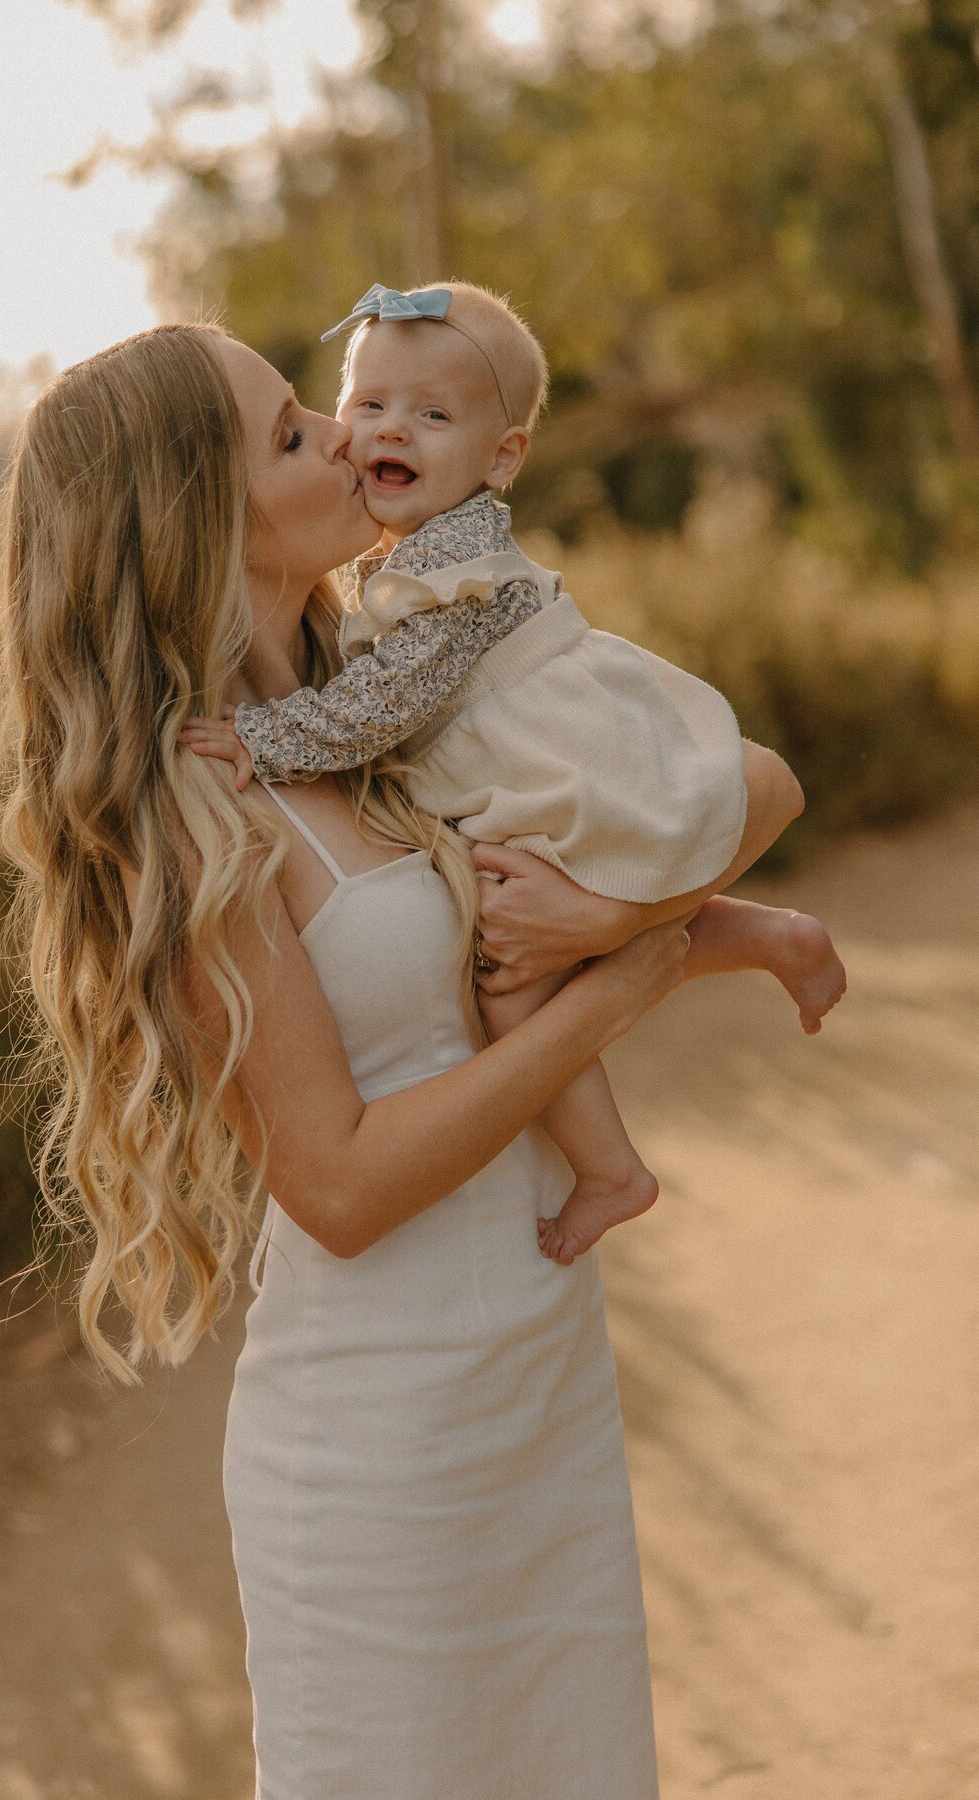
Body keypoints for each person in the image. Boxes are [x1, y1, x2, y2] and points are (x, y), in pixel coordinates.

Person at [0, 321, 804, 1799]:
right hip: (385, 1442)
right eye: (293, 432)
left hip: (538, 1385)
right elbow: (344, 1186)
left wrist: (631, 919)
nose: (353, 431)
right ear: (197, 517)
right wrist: (618, 985)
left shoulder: (389, 703)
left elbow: (739, 786)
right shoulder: (198, 798)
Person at [182, 281, 847, 1265]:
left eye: (430, 414)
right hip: (519, 761)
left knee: (523, 963)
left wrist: (267, 738)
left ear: (502, 458)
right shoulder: (409, 566)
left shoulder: (443, 575)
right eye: (364, 405)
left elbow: (386, 705)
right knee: (541, 928)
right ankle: (763, 946)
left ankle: (614, 1165)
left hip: (540, 756)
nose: (366, 435)